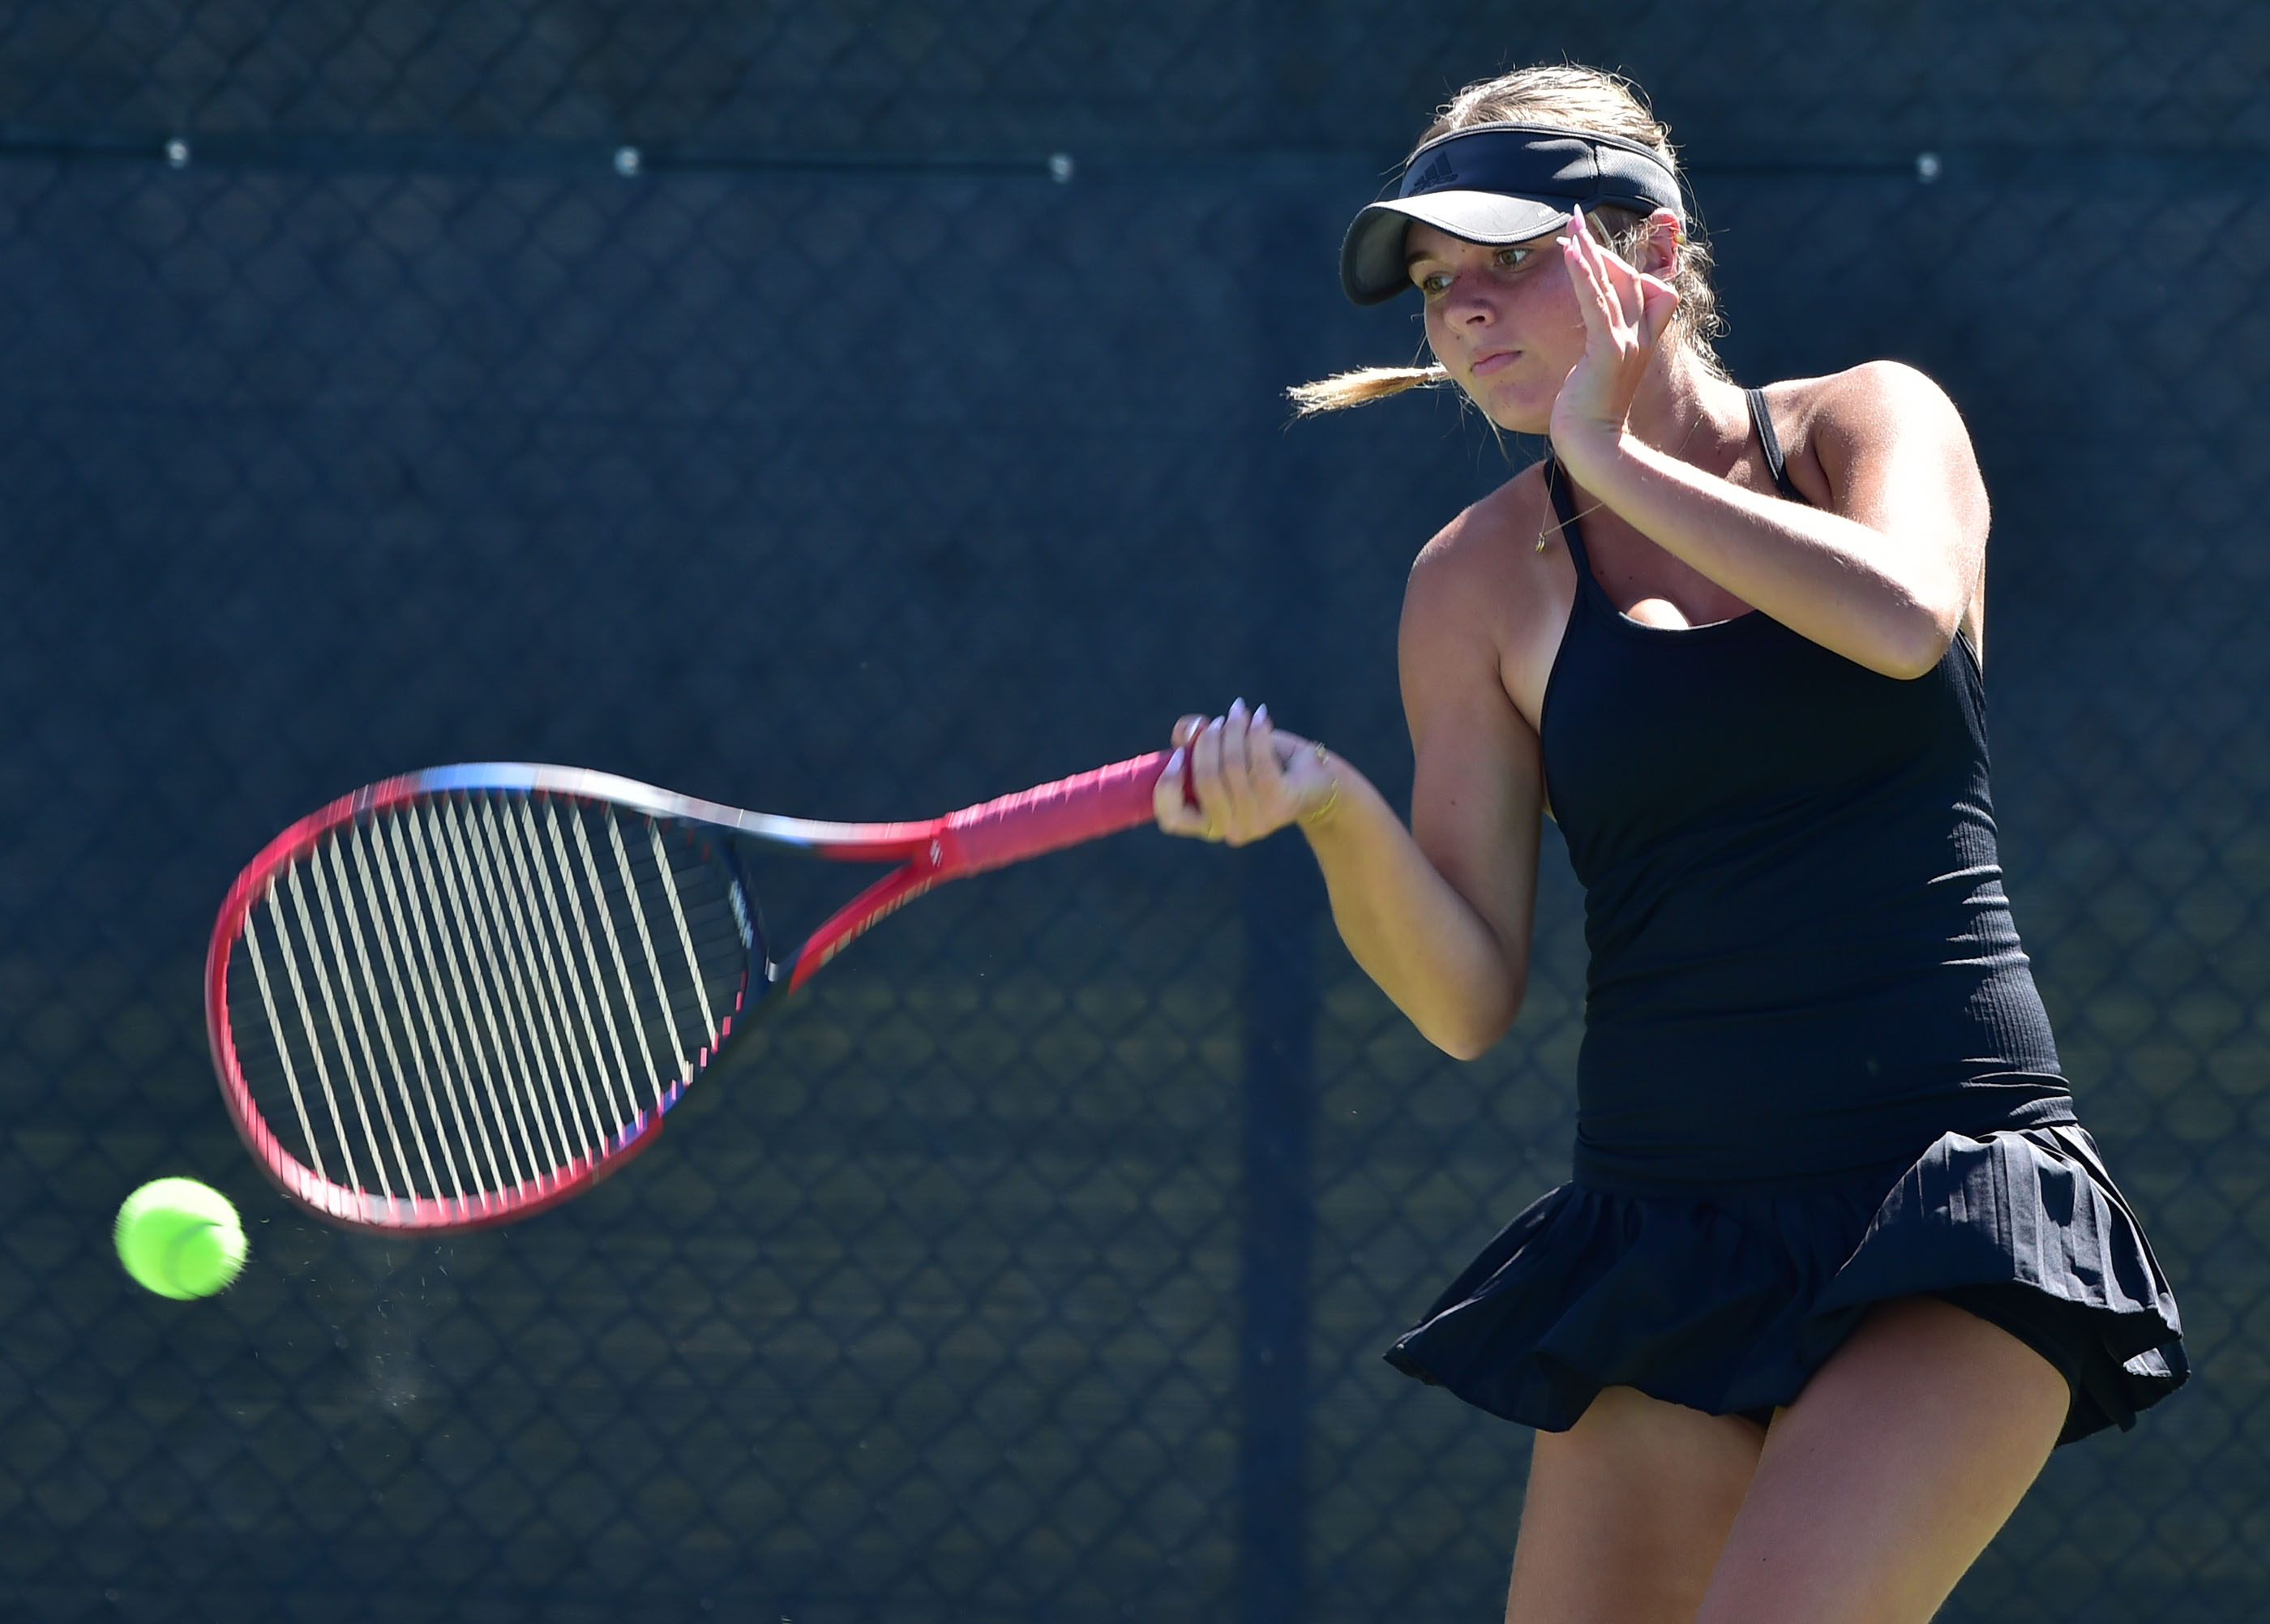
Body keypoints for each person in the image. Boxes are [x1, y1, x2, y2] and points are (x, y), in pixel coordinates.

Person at [1151, 64, 2185, 1624]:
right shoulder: (1471, 586)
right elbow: (1464, 997)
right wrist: (1326, 808)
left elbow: (1904, 621)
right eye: (1438, 286)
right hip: (1666, 1231)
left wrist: (1617, 456)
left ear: (1652, 246)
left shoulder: (1866, 422)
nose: (1468, 313)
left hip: (1952, 1202)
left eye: (1510, 261)